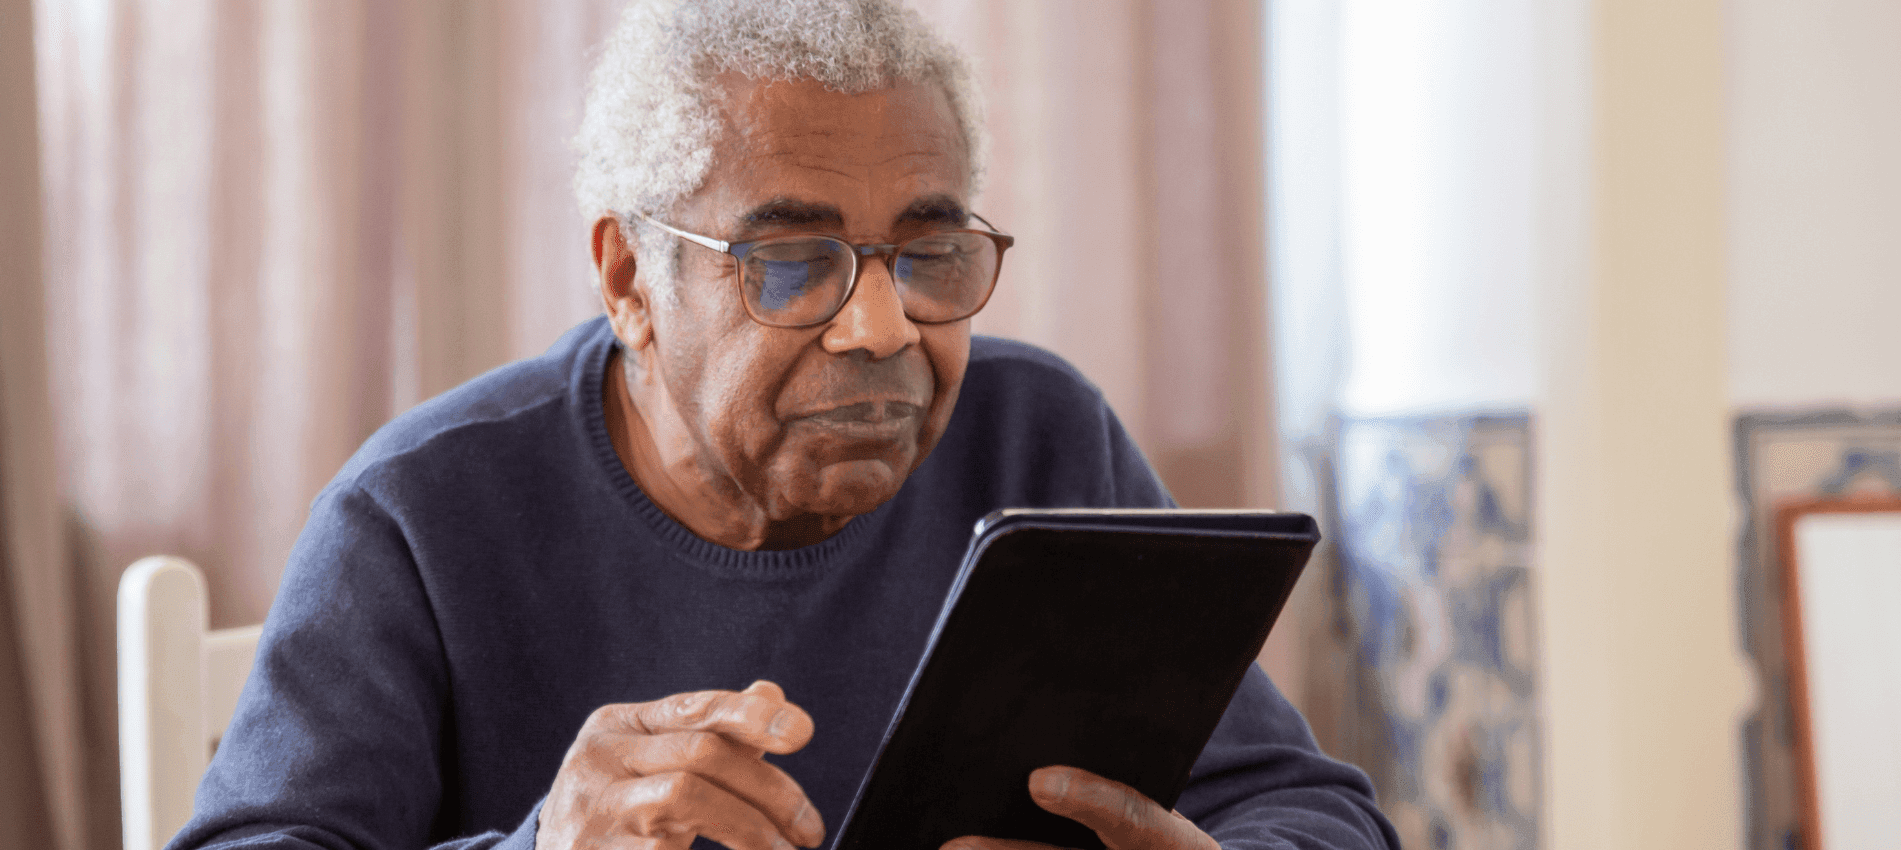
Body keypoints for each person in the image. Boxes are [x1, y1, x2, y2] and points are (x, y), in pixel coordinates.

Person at [171, 2, 1398, 849]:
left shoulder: (1042, 443)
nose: (879, 327)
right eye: (790, 262)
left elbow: (1314, 810)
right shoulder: (423, 515)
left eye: (925, 252)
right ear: (627, 280)